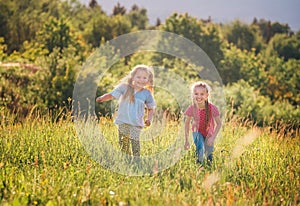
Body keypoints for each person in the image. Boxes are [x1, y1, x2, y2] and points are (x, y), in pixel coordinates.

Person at [96, 65, 156, 158]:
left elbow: (151, 108)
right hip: (123, 121)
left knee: (135, 141)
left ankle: (136, 160)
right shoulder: (124, 87)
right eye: (138, 77)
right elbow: (112, 95)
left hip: (136, 123)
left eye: (144, 78)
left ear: (148, 80)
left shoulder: (146, 93)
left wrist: (149, 119)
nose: (141, 80)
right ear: (133, 77)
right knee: (123, 142)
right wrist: (102, 98)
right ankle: (126, 159)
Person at [184, 81, 222, 165]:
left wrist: (213, 138)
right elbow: (187, 124)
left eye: (202, 94)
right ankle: (198, 166)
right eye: (196, 94)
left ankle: (208, 168)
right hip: (197, 132)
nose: (199, 96)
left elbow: (219, 124)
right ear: (193, 95)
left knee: (209, 154)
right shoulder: (192, 108)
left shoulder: (212, 108)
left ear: (207, 95)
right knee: (200, 148)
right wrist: (186, 140)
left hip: (209, 133)